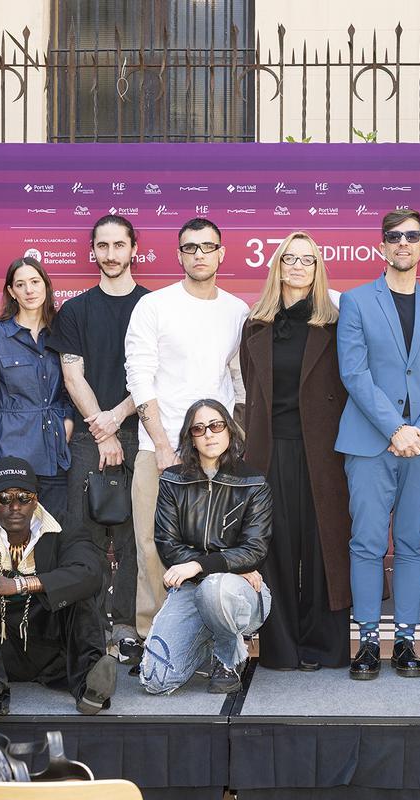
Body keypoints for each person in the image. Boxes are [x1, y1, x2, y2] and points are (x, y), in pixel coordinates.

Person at [336, 209, 420, 680]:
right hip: (371, 442)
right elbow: (354, 373)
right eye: (394, 237)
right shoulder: (355, 301)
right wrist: (395, 429)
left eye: (412, 236)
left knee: (412, 543)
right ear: (382, 246)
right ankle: (368, 641)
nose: (403, 243)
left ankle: (406, 641)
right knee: (368, 542)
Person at [124, 217, 248, 641]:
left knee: (214, 546)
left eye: (207, 246)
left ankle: (211, 640)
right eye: (190, 248)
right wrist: (162, 445)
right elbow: (139, 377)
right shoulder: (154, 306)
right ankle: (155, 640)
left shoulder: (237, 310)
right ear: (178, 255)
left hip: (216, 453)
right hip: (157, 449)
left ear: (221, 253)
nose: (199, 254)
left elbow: (239, 378)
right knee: (152, 549)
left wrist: (236, 437)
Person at [241, 232, 353, 671]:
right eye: (291, 258)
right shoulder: (255, 324)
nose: (298, 266)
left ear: (318, 268)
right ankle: (281, 649)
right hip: (270, 451)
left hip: (324, 451)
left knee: (325, 546)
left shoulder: (336, 322)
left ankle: (325, 647)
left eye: (308, 260)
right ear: (278, 265)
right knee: (276, 550)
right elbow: (248, 389)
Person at [0, 456, 118, 718]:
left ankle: (89, 687)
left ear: (36, 499)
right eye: (4, 499)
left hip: (48, 648)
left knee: (78, 593)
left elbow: (89, 572)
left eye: (24, 497)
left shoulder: (63, 526)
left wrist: (18, 584)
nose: (15, 506)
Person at [48, 215, 150, 652]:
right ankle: (90, 627)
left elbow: (153, 375)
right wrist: (103, 429)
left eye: (118, 245)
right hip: (91, 438)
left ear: (133, 250)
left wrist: (118, 418)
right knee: (83, 534)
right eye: (102, 246)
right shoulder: (75, 310)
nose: (110, 254)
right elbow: (73, 376)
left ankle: (126, 627)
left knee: (133, 537)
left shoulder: (153, 306)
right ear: (93, 251)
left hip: (143, 431)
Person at [140, 400, 272, 694]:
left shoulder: (253, 482)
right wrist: (219, 566)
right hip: (193, 588)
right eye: (199, 429)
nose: (209, 434)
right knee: (155, 680)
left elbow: (255, 549)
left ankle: (228, 657)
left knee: (216, 589)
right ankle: (204, 644)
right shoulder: (173, 481)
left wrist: (201, 566)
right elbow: (167, 544)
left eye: (216, 425)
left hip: (239, 592)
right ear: (190, 437)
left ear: (228, 429)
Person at [0, 256, 73, 520]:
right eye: (20, 284)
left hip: (55, 452)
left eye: (34, 282)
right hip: (12, 453)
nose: (29, 290)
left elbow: (72, 384)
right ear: (11, 292)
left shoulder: (61, 330)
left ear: (45, 285)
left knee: (54, 533)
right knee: (14, 539)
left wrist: (69, 418)